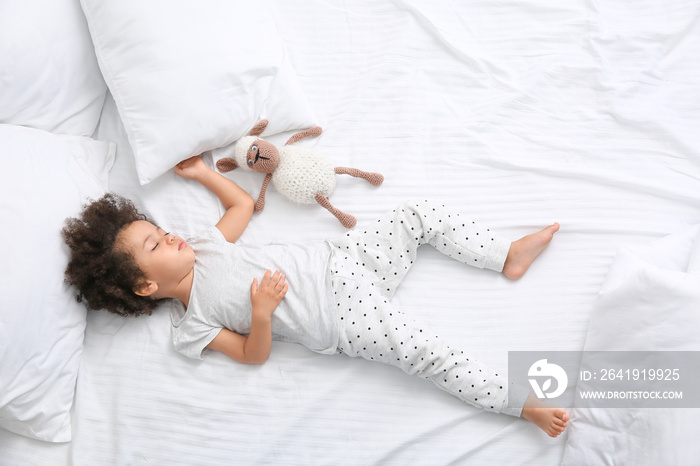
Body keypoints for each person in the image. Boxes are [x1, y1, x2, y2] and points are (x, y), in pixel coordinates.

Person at [63, 155, 569, 437]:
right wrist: (260, 315)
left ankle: (504, 255)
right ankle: (518, 404)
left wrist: (202, 174)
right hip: (342, 318)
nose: (169, 235)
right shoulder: (192, 322)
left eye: (158, 228)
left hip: (342, 259)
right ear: (146, 286)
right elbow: (250, 355)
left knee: (416, 214)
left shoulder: (204, 244)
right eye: (155, 244)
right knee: (431, 354)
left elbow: (241, 203)